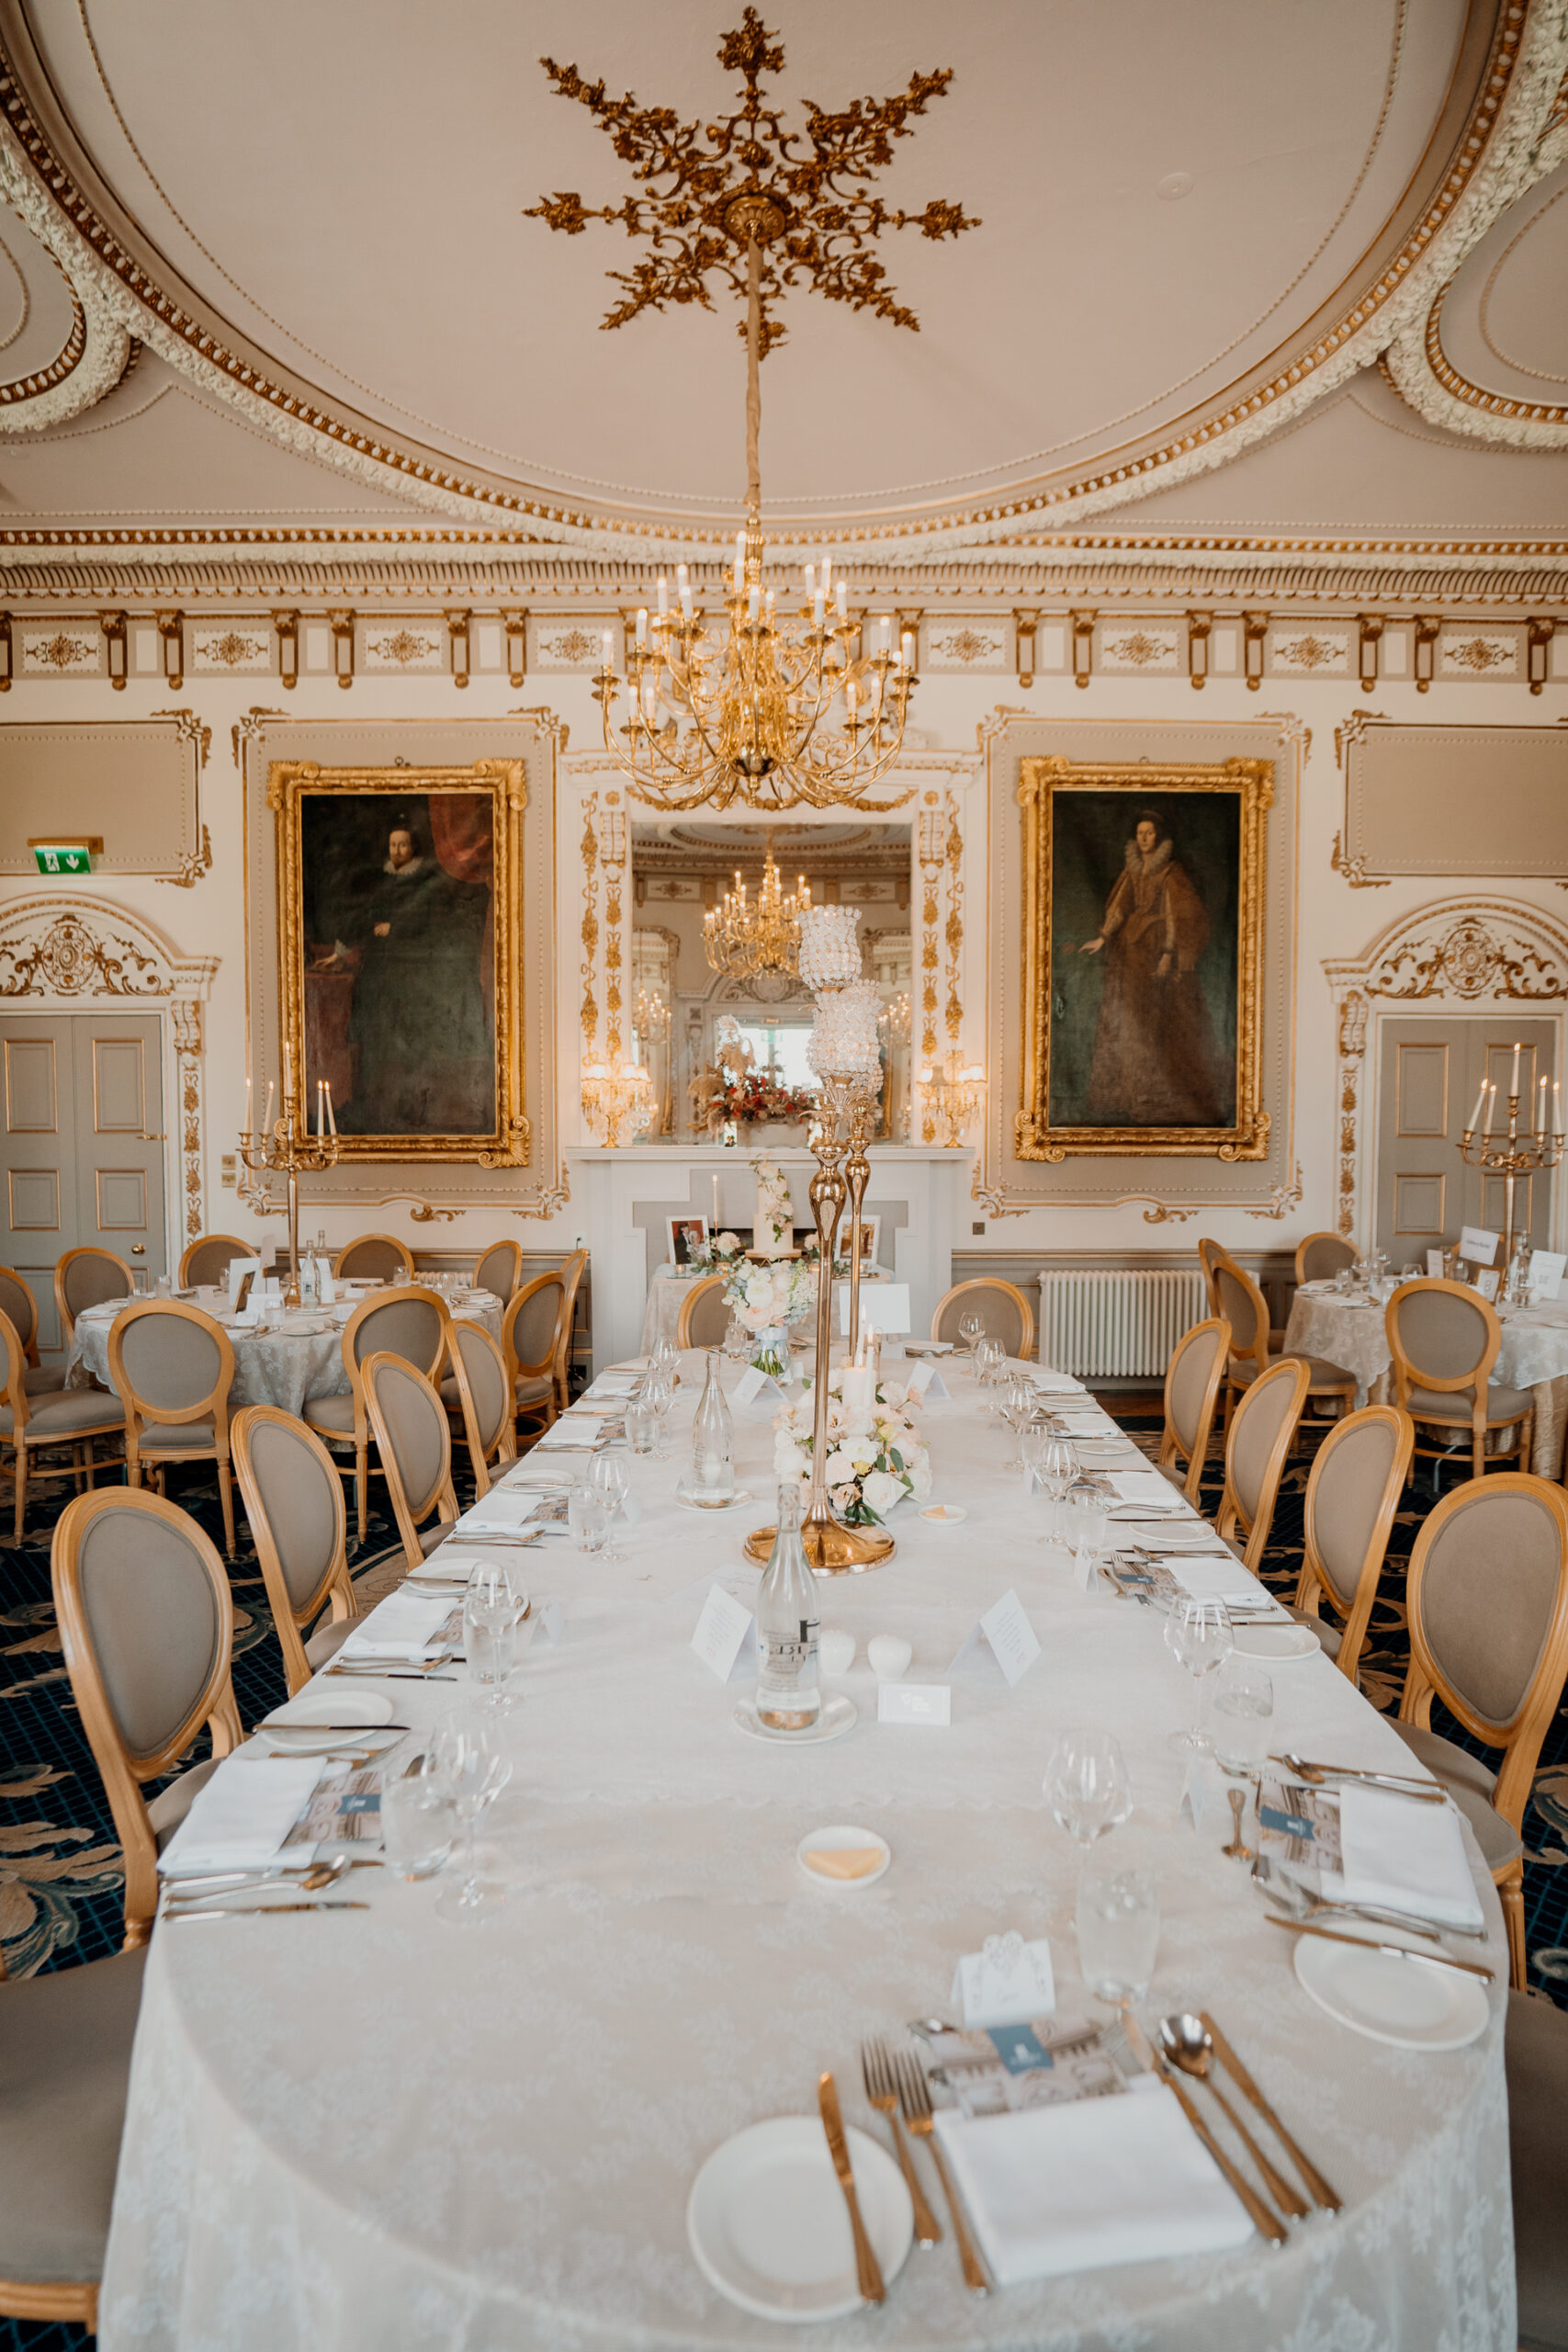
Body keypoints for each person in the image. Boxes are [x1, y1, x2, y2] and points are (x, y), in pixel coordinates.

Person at [314, 820, 492, 1134]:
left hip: (411, 977)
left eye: (403, 845)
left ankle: (412, 1109)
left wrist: (396, 928)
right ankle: (372, 1107)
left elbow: (433, 925)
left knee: (410, 1046)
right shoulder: (384, 879)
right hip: (380, 978)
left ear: (413, 848)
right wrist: (338, 953)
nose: (397, 850)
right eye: (393, 845)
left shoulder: (424, 882)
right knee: (375, 1043)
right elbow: (364, 918)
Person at [1074, 810, 1232, 1126]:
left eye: (1149, 833)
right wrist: (1103, 938)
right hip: (1132, 953)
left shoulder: (1171, 872)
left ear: (1158, 837)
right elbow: (1119, 907)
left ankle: (1162, 1095)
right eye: (1140, 833)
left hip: (1159, 951)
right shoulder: (1133, 871)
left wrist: (1167, 955)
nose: (1144, 838)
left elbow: (1178, 916)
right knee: (1132, 1019)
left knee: (1160, 1021)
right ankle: (1134, 1094)